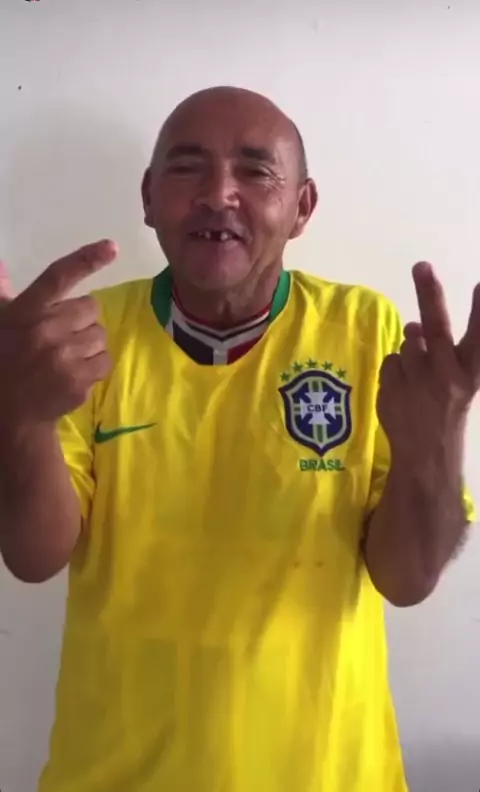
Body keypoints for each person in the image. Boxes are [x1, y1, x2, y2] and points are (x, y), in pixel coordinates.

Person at [0, 86, 478, 792]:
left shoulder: (364, 330)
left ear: (302, 207)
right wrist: (18, 415)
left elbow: (405, 581)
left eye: (255, 171)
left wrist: (438, 441)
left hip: (326, 776)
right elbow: (34, 557)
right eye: (187, 167)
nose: (218, 194)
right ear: (149, 196)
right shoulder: (82, 338)